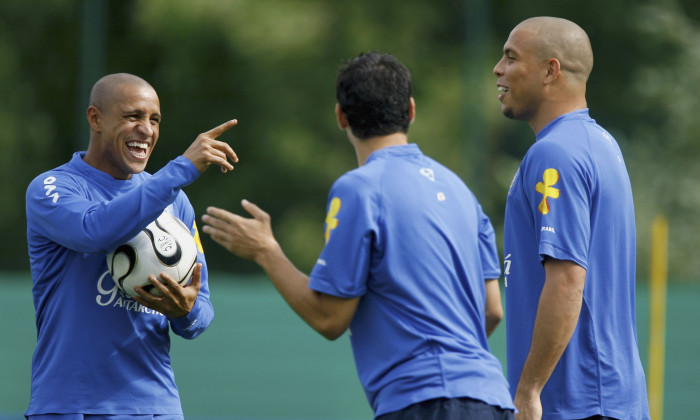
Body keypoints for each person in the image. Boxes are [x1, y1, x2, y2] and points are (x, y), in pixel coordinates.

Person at [201, 52, 514, 419]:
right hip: (493, 398)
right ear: (411, 110)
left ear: (340, 117)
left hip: (427, 404)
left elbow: (329, 318)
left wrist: (266, 250)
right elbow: (492, 310)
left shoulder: (359, 189)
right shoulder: (460, 190)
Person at [25, 73, 238, 418]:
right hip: (70, 405)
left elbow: (202, 309)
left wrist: (184, 311)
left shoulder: (175, 200)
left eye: (154, 120)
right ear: (95, 118)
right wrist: (181, 169)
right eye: (133, 116)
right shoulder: (52, 187)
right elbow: (94, 232)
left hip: (156, 406)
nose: (147, 130)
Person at [493, 17, 650, 420]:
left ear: (551, 70)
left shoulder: (555, 153)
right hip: (612, 401)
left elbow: (566, 280)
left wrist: (528, 392)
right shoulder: (600, 143)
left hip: (577, 404)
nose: (498, 69)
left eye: (511, 57)